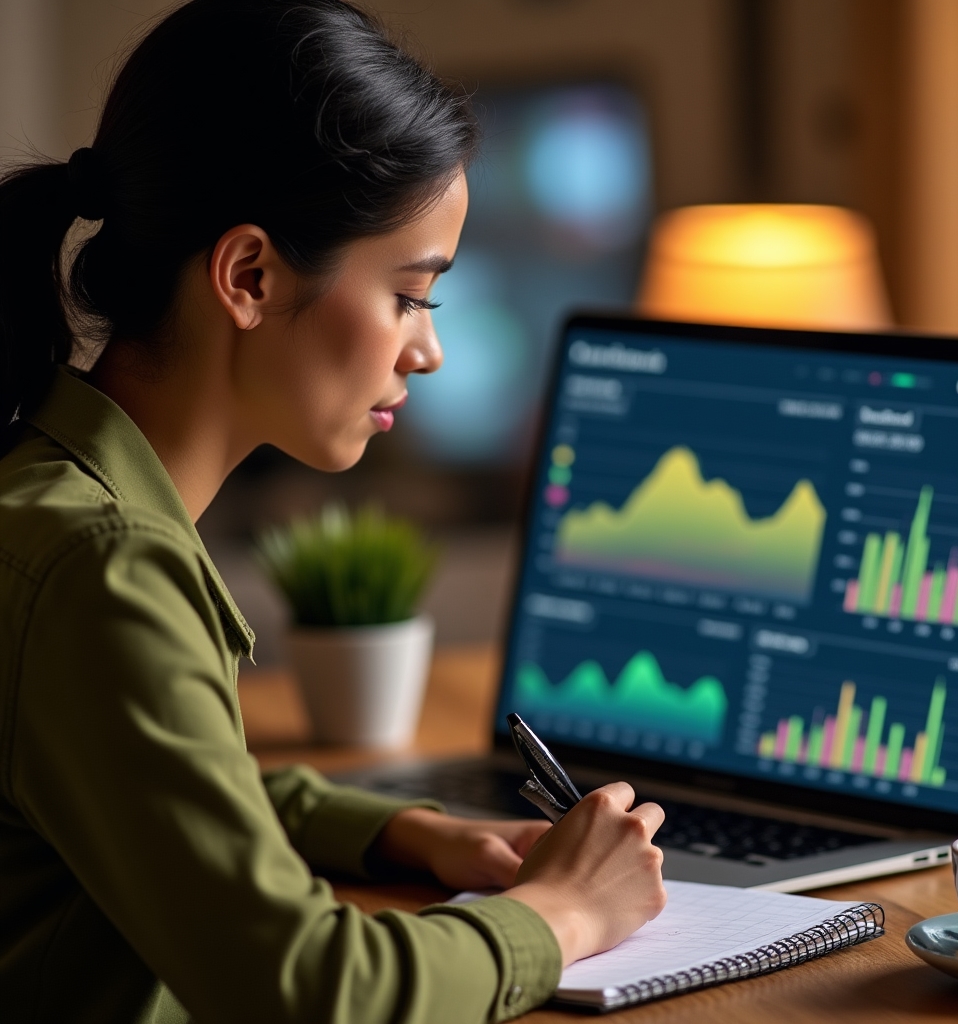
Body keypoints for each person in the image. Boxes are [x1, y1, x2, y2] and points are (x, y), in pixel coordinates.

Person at [0, 2, 667, 1021]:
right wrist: (563, 915)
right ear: (249, 276)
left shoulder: (49, 492)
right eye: (409, 294)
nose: (426, 349)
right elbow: (303, 987)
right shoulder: (103, 564)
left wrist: (401, 829)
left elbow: (137, 791)